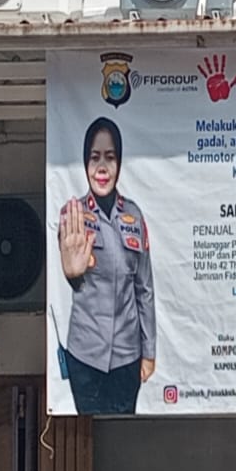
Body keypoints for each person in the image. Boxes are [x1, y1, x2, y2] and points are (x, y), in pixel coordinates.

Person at [57, 117, 156, 415]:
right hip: (85, 356)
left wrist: (149, 352)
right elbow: (72, 279)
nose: (102, 167)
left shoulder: (134, 215)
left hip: (127, 357)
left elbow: (144, 290)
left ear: (119, 163)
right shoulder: (73, 215)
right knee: (90, 438)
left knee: (124, 437)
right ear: (85, 163)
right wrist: (72, 275)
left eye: (110, 158)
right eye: (95, 157)